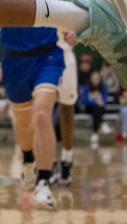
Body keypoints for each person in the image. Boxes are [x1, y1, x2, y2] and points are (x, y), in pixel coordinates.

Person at [0, 0, 65, 206]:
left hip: (48, 56)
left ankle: (45, 181)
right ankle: (27, 161)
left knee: (41, 116)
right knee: (23, 125)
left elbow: (76, 13)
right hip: (15, 61)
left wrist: (73, 30)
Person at [53, 30, 78, 186]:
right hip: (40, 54)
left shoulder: (72, 4)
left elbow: (87, 20)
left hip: (65, 56)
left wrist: (79, 36)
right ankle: (46, 164)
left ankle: (67, 161)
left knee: (67, 111)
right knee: (42, 111)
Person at [81, 71, 109, 148]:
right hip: (89, 109)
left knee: (97, 109)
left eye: (97, 78)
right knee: (96, 107)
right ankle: (102, 124)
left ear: (100, 79)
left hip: (100, 109)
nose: (95, 80)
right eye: (94, 78)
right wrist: (95, 100)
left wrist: (94, 98)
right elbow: (85, 102)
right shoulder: (86, 88)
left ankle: (95, 133)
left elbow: (105, 102)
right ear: (91, 79)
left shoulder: (103, 88)